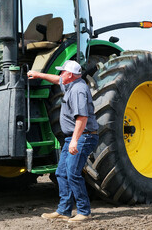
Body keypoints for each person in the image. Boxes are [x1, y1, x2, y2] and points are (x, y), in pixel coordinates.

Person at [27, 60, 99, 223]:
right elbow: (56, 79)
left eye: (62, 72)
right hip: (73, 137)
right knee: (61, 172)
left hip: (83, 136)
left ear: (70, 75)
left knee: (73, 172)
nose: (60, 75)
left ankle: (83, 211)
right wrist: (37, 74)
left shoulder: (79, 90)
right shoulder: (70, 83)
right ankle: (64, 211)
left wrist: (74, 141)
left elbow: (82, 117)